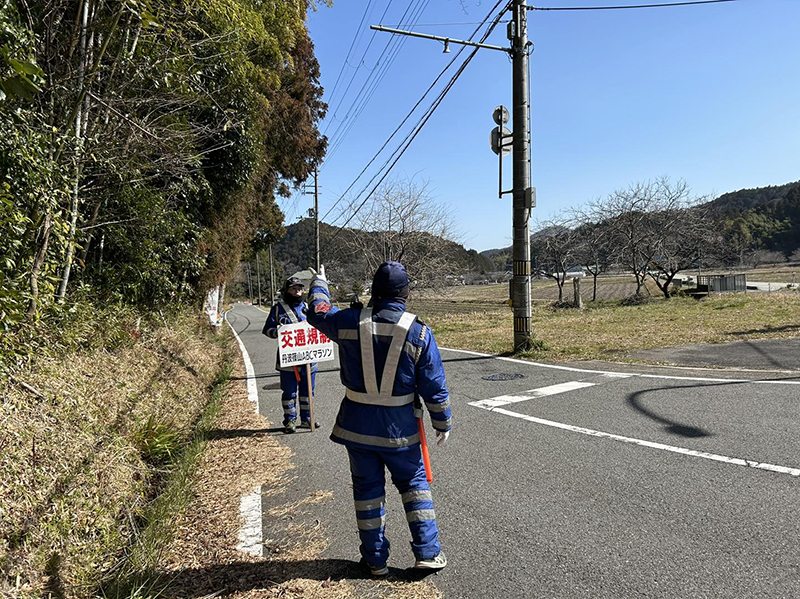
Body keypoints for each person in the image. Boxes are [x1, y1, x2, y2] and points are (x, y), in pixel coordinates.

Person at [306, 261, 451, 576]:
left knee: (367, 491)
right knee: (414, 487)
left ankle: (374, 560)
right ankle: (427, 552)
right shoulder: (419, 332)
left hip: (356, 428)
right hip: (401, 431)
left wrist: (320, 282)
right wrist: (443, 423)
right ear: (404, 292)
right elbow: (434, 387)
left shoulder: (348, 321)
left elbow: (317, 311)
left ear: (374, 291)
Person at [262, 276, 319, 434]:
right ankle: (290, 420)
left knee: (308, 391)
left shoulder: (308, 308)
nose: (297, 291)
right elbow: (267, 329)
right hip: (288, 360)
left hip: (309, 358)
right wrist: (278, 332)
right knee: (289, 392)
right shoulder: (278, 309)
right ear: (287, 291)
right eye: (293, 289)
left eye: (299, 288)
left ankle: (307, 418)